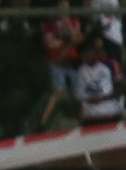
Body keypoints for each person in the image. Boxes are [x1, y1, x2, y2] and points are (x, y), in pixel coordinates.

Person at [40, 1, 83, 130]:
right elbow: (50, 43)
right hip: (56, 61)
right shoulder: (48, 24)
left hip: (71, 60)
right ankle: (43, 122)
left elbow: (76, 38)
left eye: (66, 7)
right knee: (58, 92)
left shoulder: (74, 21)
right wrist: (67, 41)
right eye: (61, 7)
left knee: (80, 93)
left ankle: (83, 119)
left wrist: (66, 22)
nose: (64, 9)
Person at [76, 39, 125, 126]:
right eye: (83, 54)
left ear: (95, 51)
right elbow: (81, 95)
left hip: (111, 113)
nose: (86, 56)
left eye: (88, 53)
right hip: (90, 116)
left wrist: (102, 98)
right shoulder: (81, 70)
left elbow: (120, 88)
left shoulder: (110, 64)